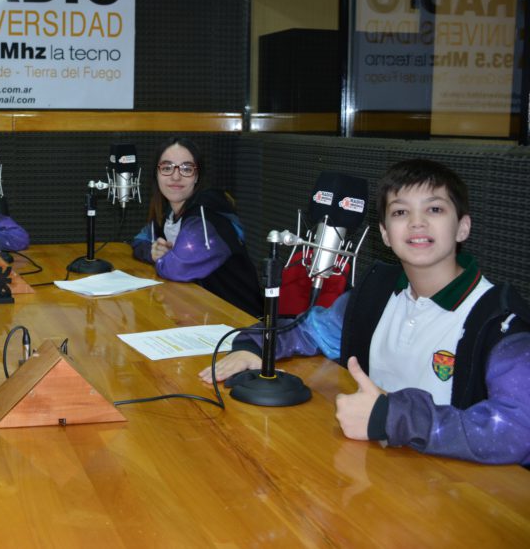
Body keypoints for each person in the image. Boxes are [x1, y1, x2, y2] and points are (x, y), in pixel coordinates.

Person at [202, 159, 530, 466]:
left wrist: (393, 416)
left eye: (434, 209)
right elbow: (309, 331)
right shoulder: (376, 291)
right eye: (401, 212)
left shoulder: (500, 320)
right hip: (375, 468)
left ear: (462, 227)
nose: (417, 222)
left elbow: (518, 430)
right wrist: (255, 348)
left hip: (454, 492)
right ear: (385, 234)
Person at [131, 136, 262, 317]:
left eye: (186, 168)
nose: (175, 176)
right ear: (157, 174)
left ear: (197, 176)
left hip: (237, 321)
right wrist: (152, 252)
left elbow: (175, 268)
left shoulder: (206, 216)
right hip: (197, 311)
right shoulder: (168, 213)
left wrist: (165, 258)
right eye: (167, 168)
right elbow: (139, 240)